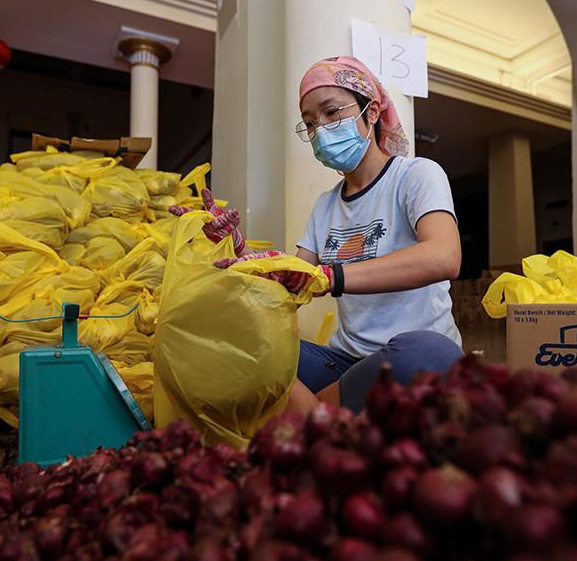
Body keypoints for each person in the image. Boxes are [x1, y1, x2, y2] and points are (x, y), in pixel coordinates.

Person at [170, 56, 463, 415]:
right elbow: (290, 280)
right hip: (345, 361)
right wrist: (234, 244)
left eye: (331, 113)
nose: (320, 130)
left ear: (371, 112)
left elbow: (444, 257)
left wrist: (330, 277)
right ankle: (333, 417)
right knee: (227, 339)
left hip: (408, 354)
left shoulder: (416, 176)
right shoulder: (325, 206)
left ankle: (314, 413)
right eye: (309, 123)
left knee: (431, 354)